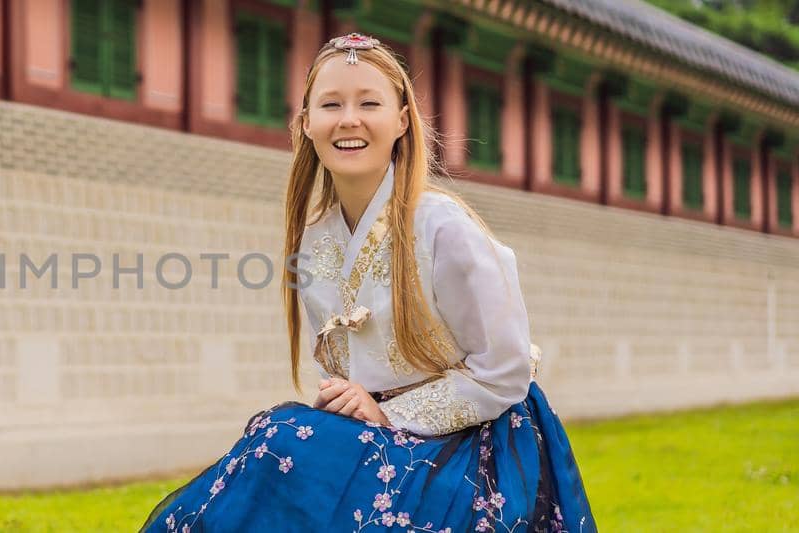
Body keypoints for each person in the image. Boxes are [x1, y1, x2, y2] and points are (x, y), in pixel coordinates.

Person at [139, 33, 596, 532]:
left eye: (369, 103)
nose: (349, 119)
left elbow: (505, 371)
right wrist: (348, 401)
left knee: (285, 442)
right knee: (278, 442)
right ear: (307, 123)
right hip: (381, 435)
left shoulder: (444, 228)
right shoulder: (314, 243)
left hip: (478, 441)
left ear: (402, 120)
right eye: (331, 104)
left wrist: (391, 415)